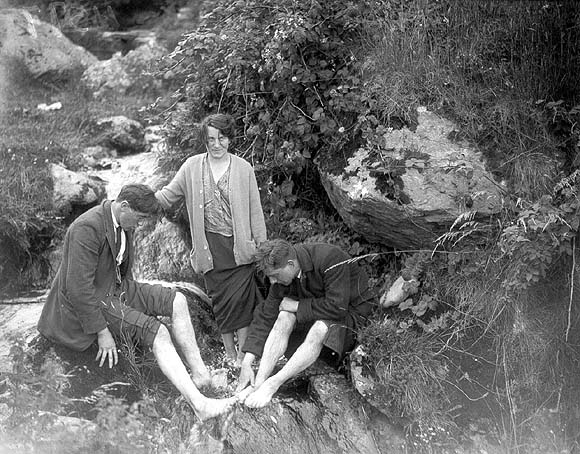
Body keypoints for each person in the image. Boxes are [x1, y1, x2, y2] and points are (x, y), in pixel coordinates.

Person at [37, 184, 236, 421]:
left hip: (116, 288)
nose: (140, 225)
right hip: (94, 300)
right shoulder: (86, 228)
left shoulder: (123, 222)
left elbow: (123, 271)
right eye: (140, 219)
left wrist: (136, 307)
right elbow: (77, 290)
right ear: (124, 206)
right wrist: (102, 332)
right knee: (158, 332)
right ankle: (200, 405)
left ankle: (201, 375)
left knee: (178, 300)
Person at [156, 113, 267, 366]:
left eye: (222, 138)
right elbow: (167, 195)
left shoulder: (244, 168)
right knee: (222, 304)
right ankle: (230, 356)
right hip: (210, 251)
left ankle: (243, 358)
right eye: (211, 139)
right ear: (204, 141)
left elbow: (255, 212)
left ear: (230, 138)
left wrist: (263, 248)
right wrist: (141, 201)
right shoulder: (191, 166)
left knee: (241, 303)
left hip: (239, 250)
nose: (217, 144)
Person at [236, 239, 375, 408]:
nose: (272, 281)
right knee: (284, 316)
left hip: (350, 315)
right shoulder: (284, 276)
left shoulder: (330, 258)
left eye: (275, 275)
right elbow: (266, 316)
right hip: (318, 313)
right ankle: (258, 383)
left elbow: (338, 307)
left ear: (290, 264)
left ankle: (274, 383)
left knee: (319, 328)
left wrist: (297, 306)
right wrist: (247, 361)